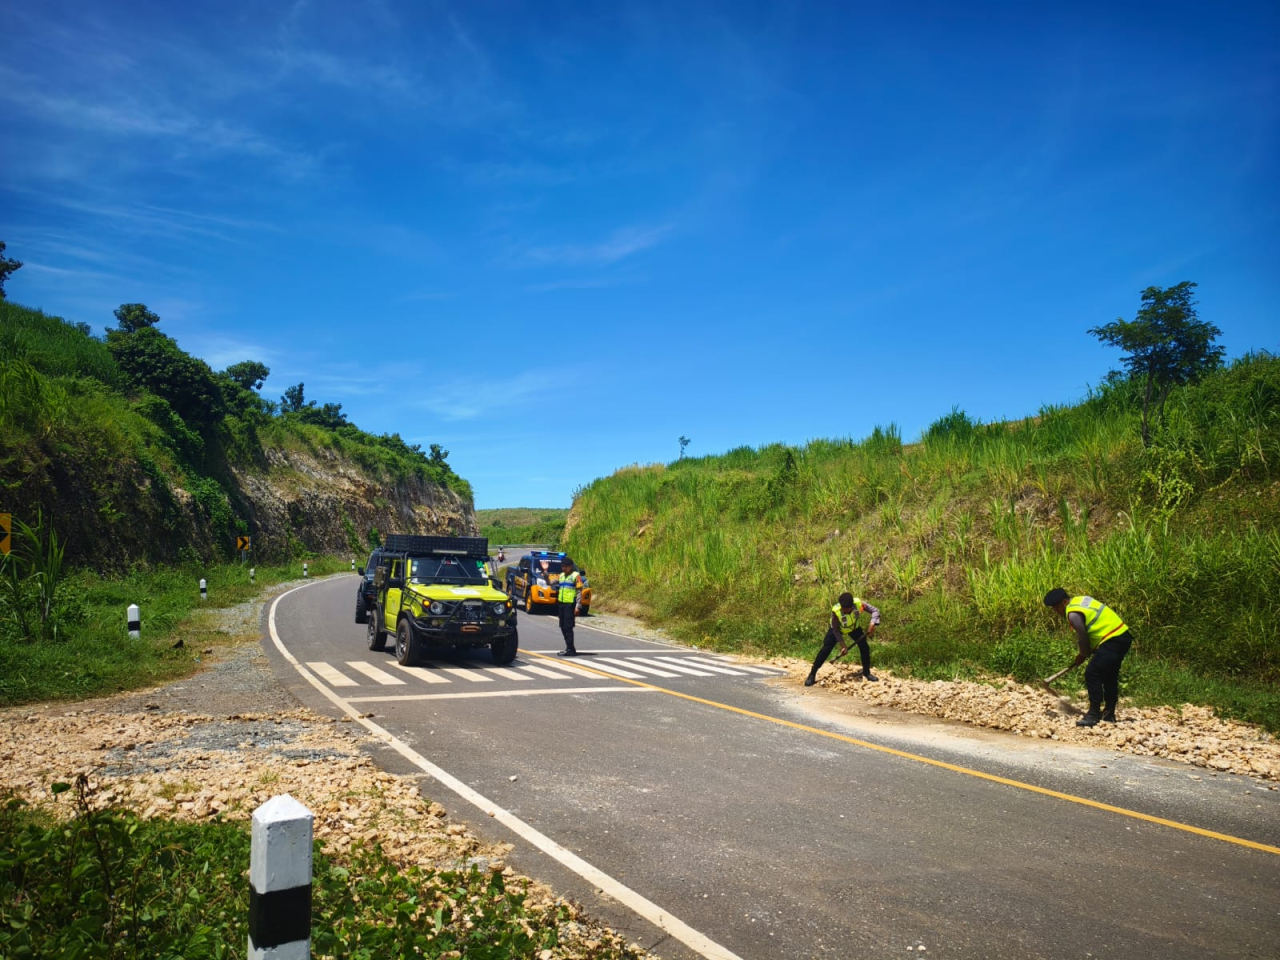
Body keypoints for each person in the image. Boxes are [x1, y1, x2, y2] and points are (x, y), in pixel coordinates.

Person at [1043, 588, 1133, 727]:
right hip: (1122, 636)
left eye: (1056, 607)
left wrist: (1082, 654)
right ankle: (1109, 714)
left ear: (1065, 602)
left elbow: (1083, 637)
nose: (1056, 611)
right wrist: (1090, 650)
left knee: (1092, 672)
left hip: (1112, 639)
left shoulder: (1073, 614)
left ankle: (1093, 714)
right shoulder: (1080, 600)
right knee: (1109, 675)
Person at [805, 591, 880, 686]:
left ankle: (866, 672)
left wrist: (872, 623)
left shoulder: (859, 604)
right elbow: (835, 630)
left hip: (854, 628)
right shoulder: (836, 611)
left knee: (864, 647)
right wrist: (843, 645)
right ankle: (812, 673)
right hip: (838, 629)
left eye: (848, 609)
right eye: (843, 608)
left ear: (852, 606)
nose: (845, 610)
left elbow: (875, 611)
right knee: (826, 649)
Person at [555, 556, 585, 656]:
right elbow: (549, 582)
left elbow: (579, 592)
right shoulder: (561, 575)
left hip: (570, 605)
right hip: (561, 604)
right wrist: (545, 573)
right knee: (562, 626)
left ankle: (570, 649)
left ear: (570, 567)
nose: (563, 568)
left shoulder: (576, 576)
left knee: (568, 627)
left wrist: (577, 606)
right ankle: (569, 648)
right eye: (562, 566)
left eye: (565, 566)